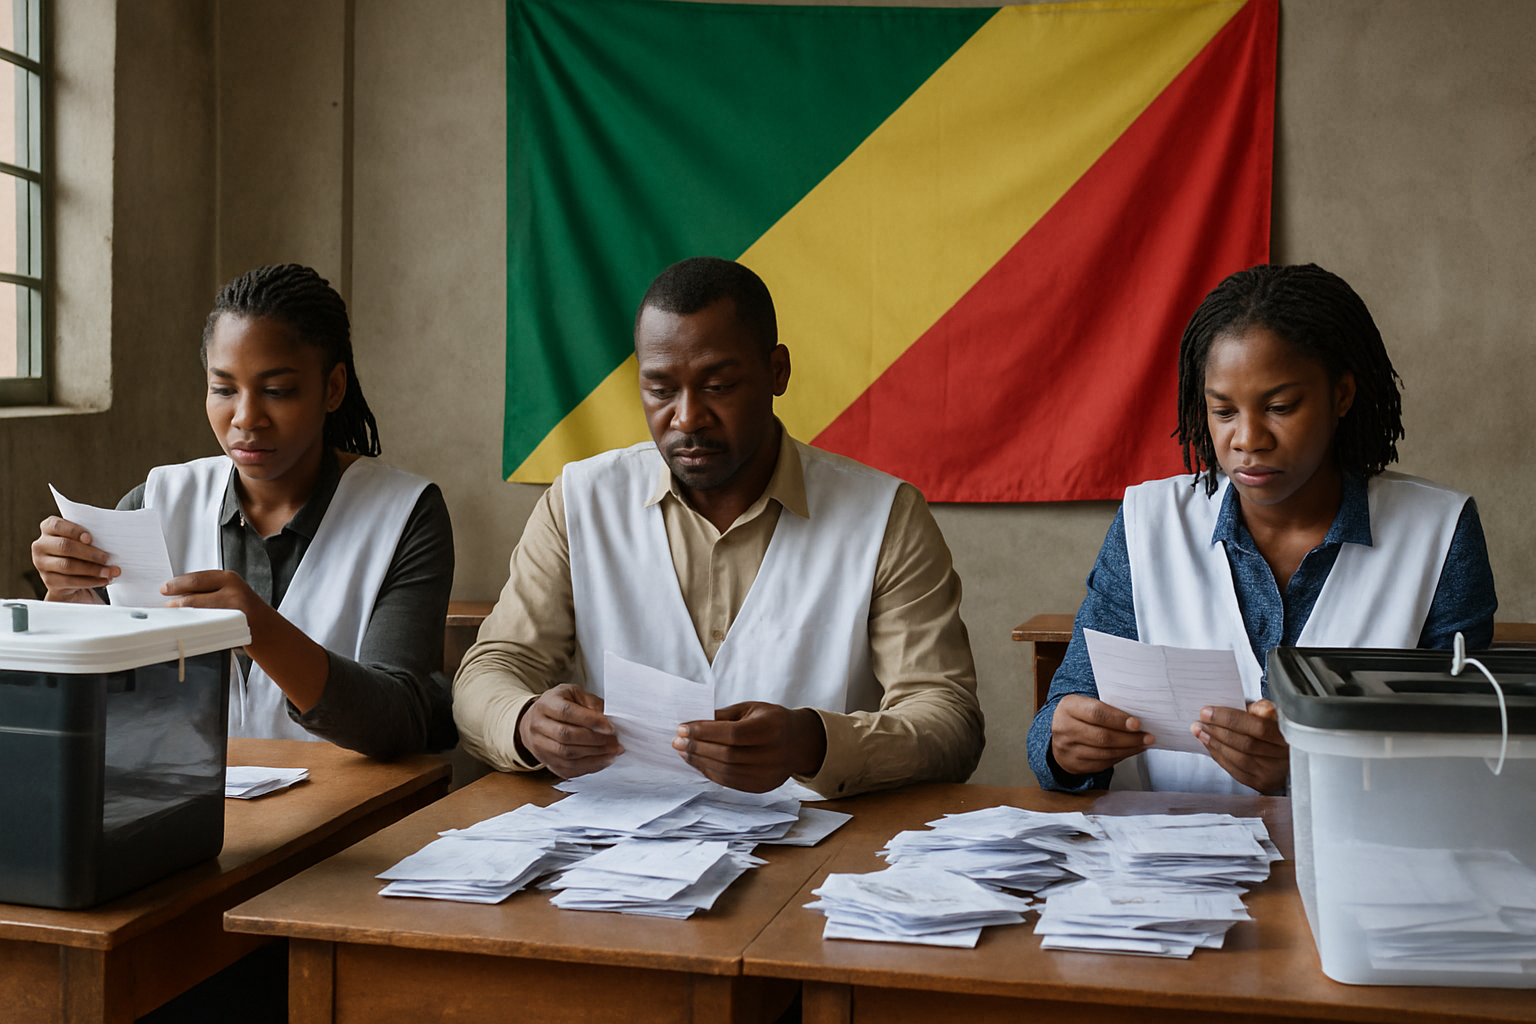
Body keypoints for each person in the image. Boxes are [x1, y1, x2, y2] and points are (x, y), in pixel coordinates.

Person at [454, 256, 983, 797]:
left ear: (777, 372)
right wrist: (524, 722)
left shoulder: (886, 516)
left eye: (719, 385)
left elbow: (949, 721)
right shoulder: (579, 501)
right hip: (622, 847)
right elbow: (491, 669)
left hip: (820, 852)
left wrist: (813, 742)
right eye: (660, 390)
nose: (686, 419)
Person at [1028, 263, 1497, 796]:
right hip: (1174, 870)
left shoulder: (1439, 533)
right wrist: (1064, 747)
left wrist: (1310, 774)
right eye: (1223, 411)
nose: (1248, 439)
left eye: (1279, 407)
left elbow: (1470, 759)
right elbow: (1062, 715)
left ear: (1342, 394)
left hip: (1363, 868)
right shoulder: (1148, 523)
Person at [31, 264, 457, 759]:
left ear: (333, 388)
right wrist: (67, 598)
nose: (245, 417)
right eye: (224, 388)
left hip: (347, 817)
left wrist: (260, 628)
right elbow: (87, 698)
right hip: (174, 804)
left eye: (277, 391)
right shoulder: (157, 502)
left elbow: (402, 719)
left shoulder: (406, 514)